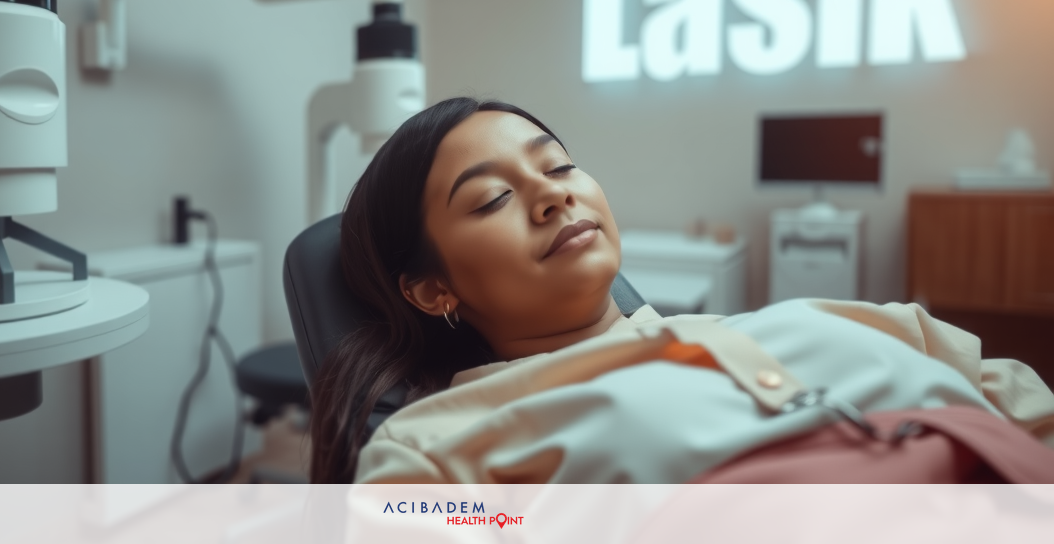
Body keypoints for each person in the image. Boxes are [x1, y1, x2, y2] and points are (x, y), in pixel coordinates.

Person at [308, 98, 1054, 484]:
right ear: (432, 289)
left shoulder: (860, 323)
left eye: (559, 167)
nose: (551, 197)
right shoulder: (439, 444)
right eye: (491, 200)